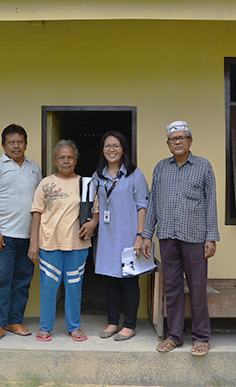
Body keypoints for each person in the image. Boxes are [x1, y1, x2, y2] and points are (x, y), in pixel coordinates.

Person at [142, 120, 219, 357]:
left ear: (190, 141)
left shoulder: (204, 166)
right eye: (173, 139)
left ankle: (201, 337)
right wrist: (146, 235)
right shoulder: (160, 168)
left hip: (195, 237)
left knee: (197, 288)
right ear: (168, 144)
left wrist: (211, 236)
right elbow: (153, 203)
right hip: (167, 236)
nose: (177, 142)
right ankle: (174, 336)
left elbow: (211, 203)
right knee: (172, 289)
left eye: (182, 138)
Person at [29, 140, 97, 342]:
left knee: (74, 288)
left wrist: (93, 222)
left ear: (76, 160)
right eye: (62, 157)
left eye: (70, 157)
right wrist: (34, 243)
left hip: (78, 244)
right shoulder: (46, 183)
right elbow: (36, 213)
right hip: (49, 243)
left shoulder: (86, 184)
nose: (66, 161)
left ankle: (74, 327)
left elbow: (95, 212)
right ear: (56, 161)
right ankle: (45, 327)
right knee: (49, 288)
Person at [0, 125, 42, 343]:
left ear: (26, 144)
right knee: (0, 280)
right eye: (11, 142)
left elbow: (39, 203)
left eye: (20, 142)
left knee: (22, 281)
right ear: (3, 145)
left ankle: (14, 321)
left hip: (28, 237)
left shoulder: (34, 168)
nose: (16, 146)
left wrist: (36, 238)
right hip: (4, 235)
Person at [91, 131, 150, 342]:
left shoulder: (134, 174)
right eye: (107, 146)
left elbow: (143, 206)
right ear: (103, 150)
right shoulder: (98, 176)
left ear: (123, 148)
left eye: (116, 145)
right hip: (107, 237)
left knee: (129, 282)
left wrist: (140, 235)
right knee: (111, 281)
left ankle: (129, 325)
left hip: (128, 235)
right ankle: (113, 322)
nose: (112, 150)